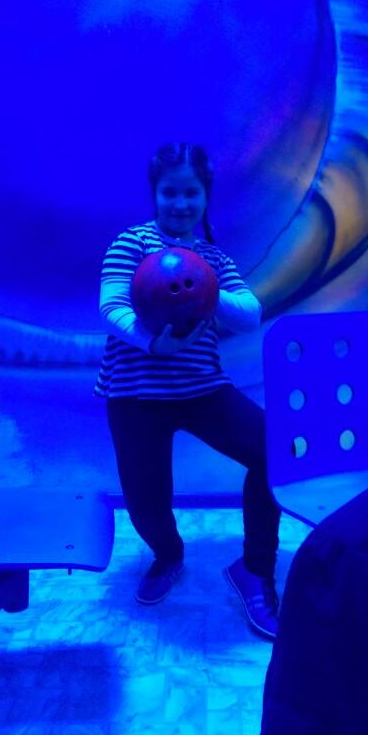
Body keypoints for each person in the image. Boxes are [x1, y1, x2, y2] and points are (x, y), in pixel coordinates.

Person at [95, 142, 281, 639]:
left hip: (203, 389)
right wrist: (152, 343)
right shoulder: (132, 242)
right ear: (155, 194)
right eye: (170, 193)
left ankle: (255, 569)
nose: (180, 203)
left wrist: (206, 284)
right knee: (145, 503)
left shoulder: (214, 258)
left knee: (274, 450)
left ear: (205, 197)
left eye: (191, 193)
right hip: (135, 395)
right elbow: (111, 307)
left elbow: (250, 315)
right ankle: (169, 554)